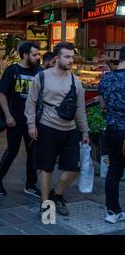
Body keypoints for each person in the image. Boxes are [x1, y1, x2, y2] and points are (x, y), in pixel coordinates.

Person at [25, 42, 90, 216]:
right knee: (46, 168)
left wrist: (84, 131)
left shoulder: (76, 82)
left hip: (70, 130)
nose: (71, 60)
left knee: (73, 169)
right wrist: (31, 124)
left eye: (72, 57)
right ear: (56, 58)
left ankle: (57, 194)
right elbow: (31, 101)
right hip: (47, 128)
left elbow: (80, 108)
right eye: (67, 57)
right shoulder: (42, 77)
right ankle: (46, 203)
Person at [0, 42, 41, 197]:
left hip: (32, 121)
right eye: (34, 54)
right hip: (15, 119)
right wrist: (8, 115)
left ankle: (30, 185)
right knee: (12, 151)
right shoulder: (12, 70)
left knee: (33, 153)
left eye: (38, 54)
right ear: (25, 55)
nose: (38, 57)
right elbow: (2, 93)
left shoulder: (39, 72)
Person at [98, 46, 125, 224]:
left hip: (112, 131)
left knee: (114, 170)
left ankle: (112, 212)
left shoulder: (107, 79)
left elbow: (102, 106)